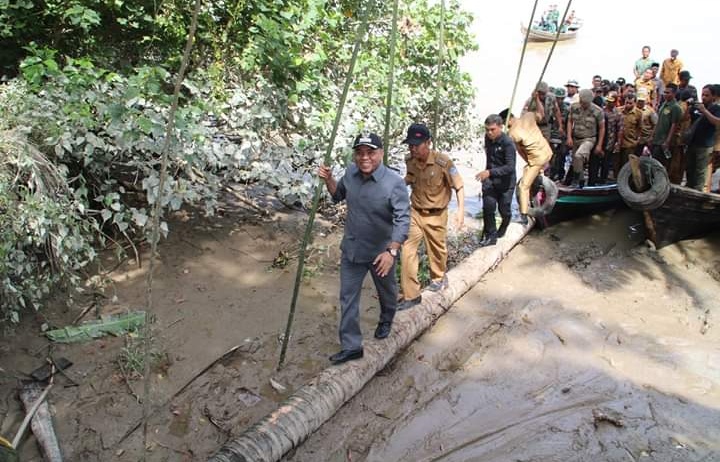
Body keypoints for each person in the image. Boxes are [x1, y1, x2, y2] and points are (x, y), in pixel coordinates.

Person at [317, 132, 410, 364]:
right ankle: (352, 346)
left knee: (388, 293)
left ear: (381, 153)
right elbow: (338, 195)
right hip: (352, 250)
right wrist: (329, 179)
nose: (364, 157)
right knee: (347, 298)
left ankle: (387, 318)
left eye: (370, 152)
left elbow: (403, 220)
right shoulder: (350, 173)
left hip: (381, 253)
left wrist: (392, 251)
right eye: (360, 153)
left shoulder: (394, 183)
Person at [398, 123, 464, 311]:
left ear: (428, 143)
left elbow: (458, 186)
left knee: (437, 251)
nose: (413, 149)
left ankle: (439, 277)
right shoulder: (410, 160)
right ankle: (411, 294)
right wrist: (396, 186)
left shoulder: (443, 163)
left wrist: (460, 213)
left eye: (416, 145)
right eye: (410, 145)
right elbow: (409, 178)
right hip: (415, 213)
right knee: (407, 250)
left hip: (436, 215)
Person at [500, 93, 553, 224]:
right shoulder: (528, 116)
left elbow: (521, 152)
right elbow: (542, 113)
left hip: (538, 159)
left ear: (508, 120)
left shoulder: (512, 133)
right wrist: (537, 99)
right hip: (548, 152)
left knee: (523, 186)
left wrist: (531, 163)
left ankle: (523, 216)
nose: (504, 127)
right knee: (527, 170)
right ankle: (533, 196)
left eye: (503, 124)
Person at [475, 114, 516, 247]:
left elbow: (510, 167)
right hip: (490, 181)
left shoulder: (508, 143)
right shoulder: (487, 138)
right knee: (488, 208)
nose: (489, 132)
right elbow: (490, 159)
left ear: (500, 127)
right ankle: (491, 236)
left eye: (492, 129)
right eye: (487, 129)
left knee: (504, 210)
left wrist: (489, 172)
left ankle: (505, 224)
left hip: (506, 183)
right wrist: (487, 175)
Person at [566, 88, 605, 187]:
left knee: (579, 156)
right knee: (576, 163)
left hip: (589, 139)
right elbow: (570, 121)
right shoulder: (574, 107)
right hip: (576, 138)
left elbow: (602, 128)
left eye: (586, 103)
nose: (584, 105)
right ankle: (581, 180)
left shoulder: (598, 111)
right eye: (582, 102)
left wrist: (599, 145)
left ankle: (577, 179)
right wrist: (569, 137)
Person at [685, 85, 720, 191]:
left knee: (700, 173)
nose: (704, 97)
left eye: (707, 95)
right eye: (702, 95)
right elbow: (685, 118)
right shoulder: (698, 107)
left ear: (713, 96)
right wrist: (688, 107)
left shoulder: (716, 108)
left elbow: (717, 122)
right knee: (689, 170)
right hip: (693, 143)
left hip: (705, 146)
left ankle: (697, 196)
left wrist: (705, 111)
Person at [590, 92, 622, 185]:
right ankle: (592, 181)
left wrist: (618, 143)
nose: (609, 103)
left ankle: (602, 181)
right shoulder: (601, 112)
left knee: (606, 164)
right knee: (594, 163)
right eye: (608, 101)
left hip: (610, 142)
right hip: (599, 141)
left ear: (615, 102)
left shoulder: (617, 114)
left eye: (611, 101)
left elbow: (620, 129)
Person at [650, 83, 683, 172]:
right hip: (657, 139)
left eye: (668, 93)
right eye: (665, 92)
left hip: (663, 141)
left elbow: (674, 125)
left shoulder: (675, 107)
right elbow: (658, 121)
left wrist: (667, 142)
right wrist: (652, 135)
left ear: (674, 94)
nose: (665, 94)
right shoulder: (664, 104)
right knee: (653, 162)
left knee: (659, 164)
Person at [616, 93, 643, 177]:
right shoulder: (618, 110)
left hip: (630, 143)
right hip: (618, 143)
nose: (627, 105)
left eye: (630, 103)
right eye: (626, 102)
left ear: (634, 103)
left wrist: (637, 139)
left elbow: (640, 127)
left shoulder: (638, 113)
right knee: (616, 163)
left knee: (627, 164)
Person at [549, 86, 569, 181]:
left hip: (562, 136)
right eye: (558, 98)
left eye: (562, 98)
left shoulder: (567, 108)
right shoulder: (550, 107)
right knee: (551, 156)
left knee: (562, 156)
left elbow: (569, 123)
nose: (559, 100)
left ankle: (560, 175)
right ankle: (550, 175)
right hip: (551, 135)